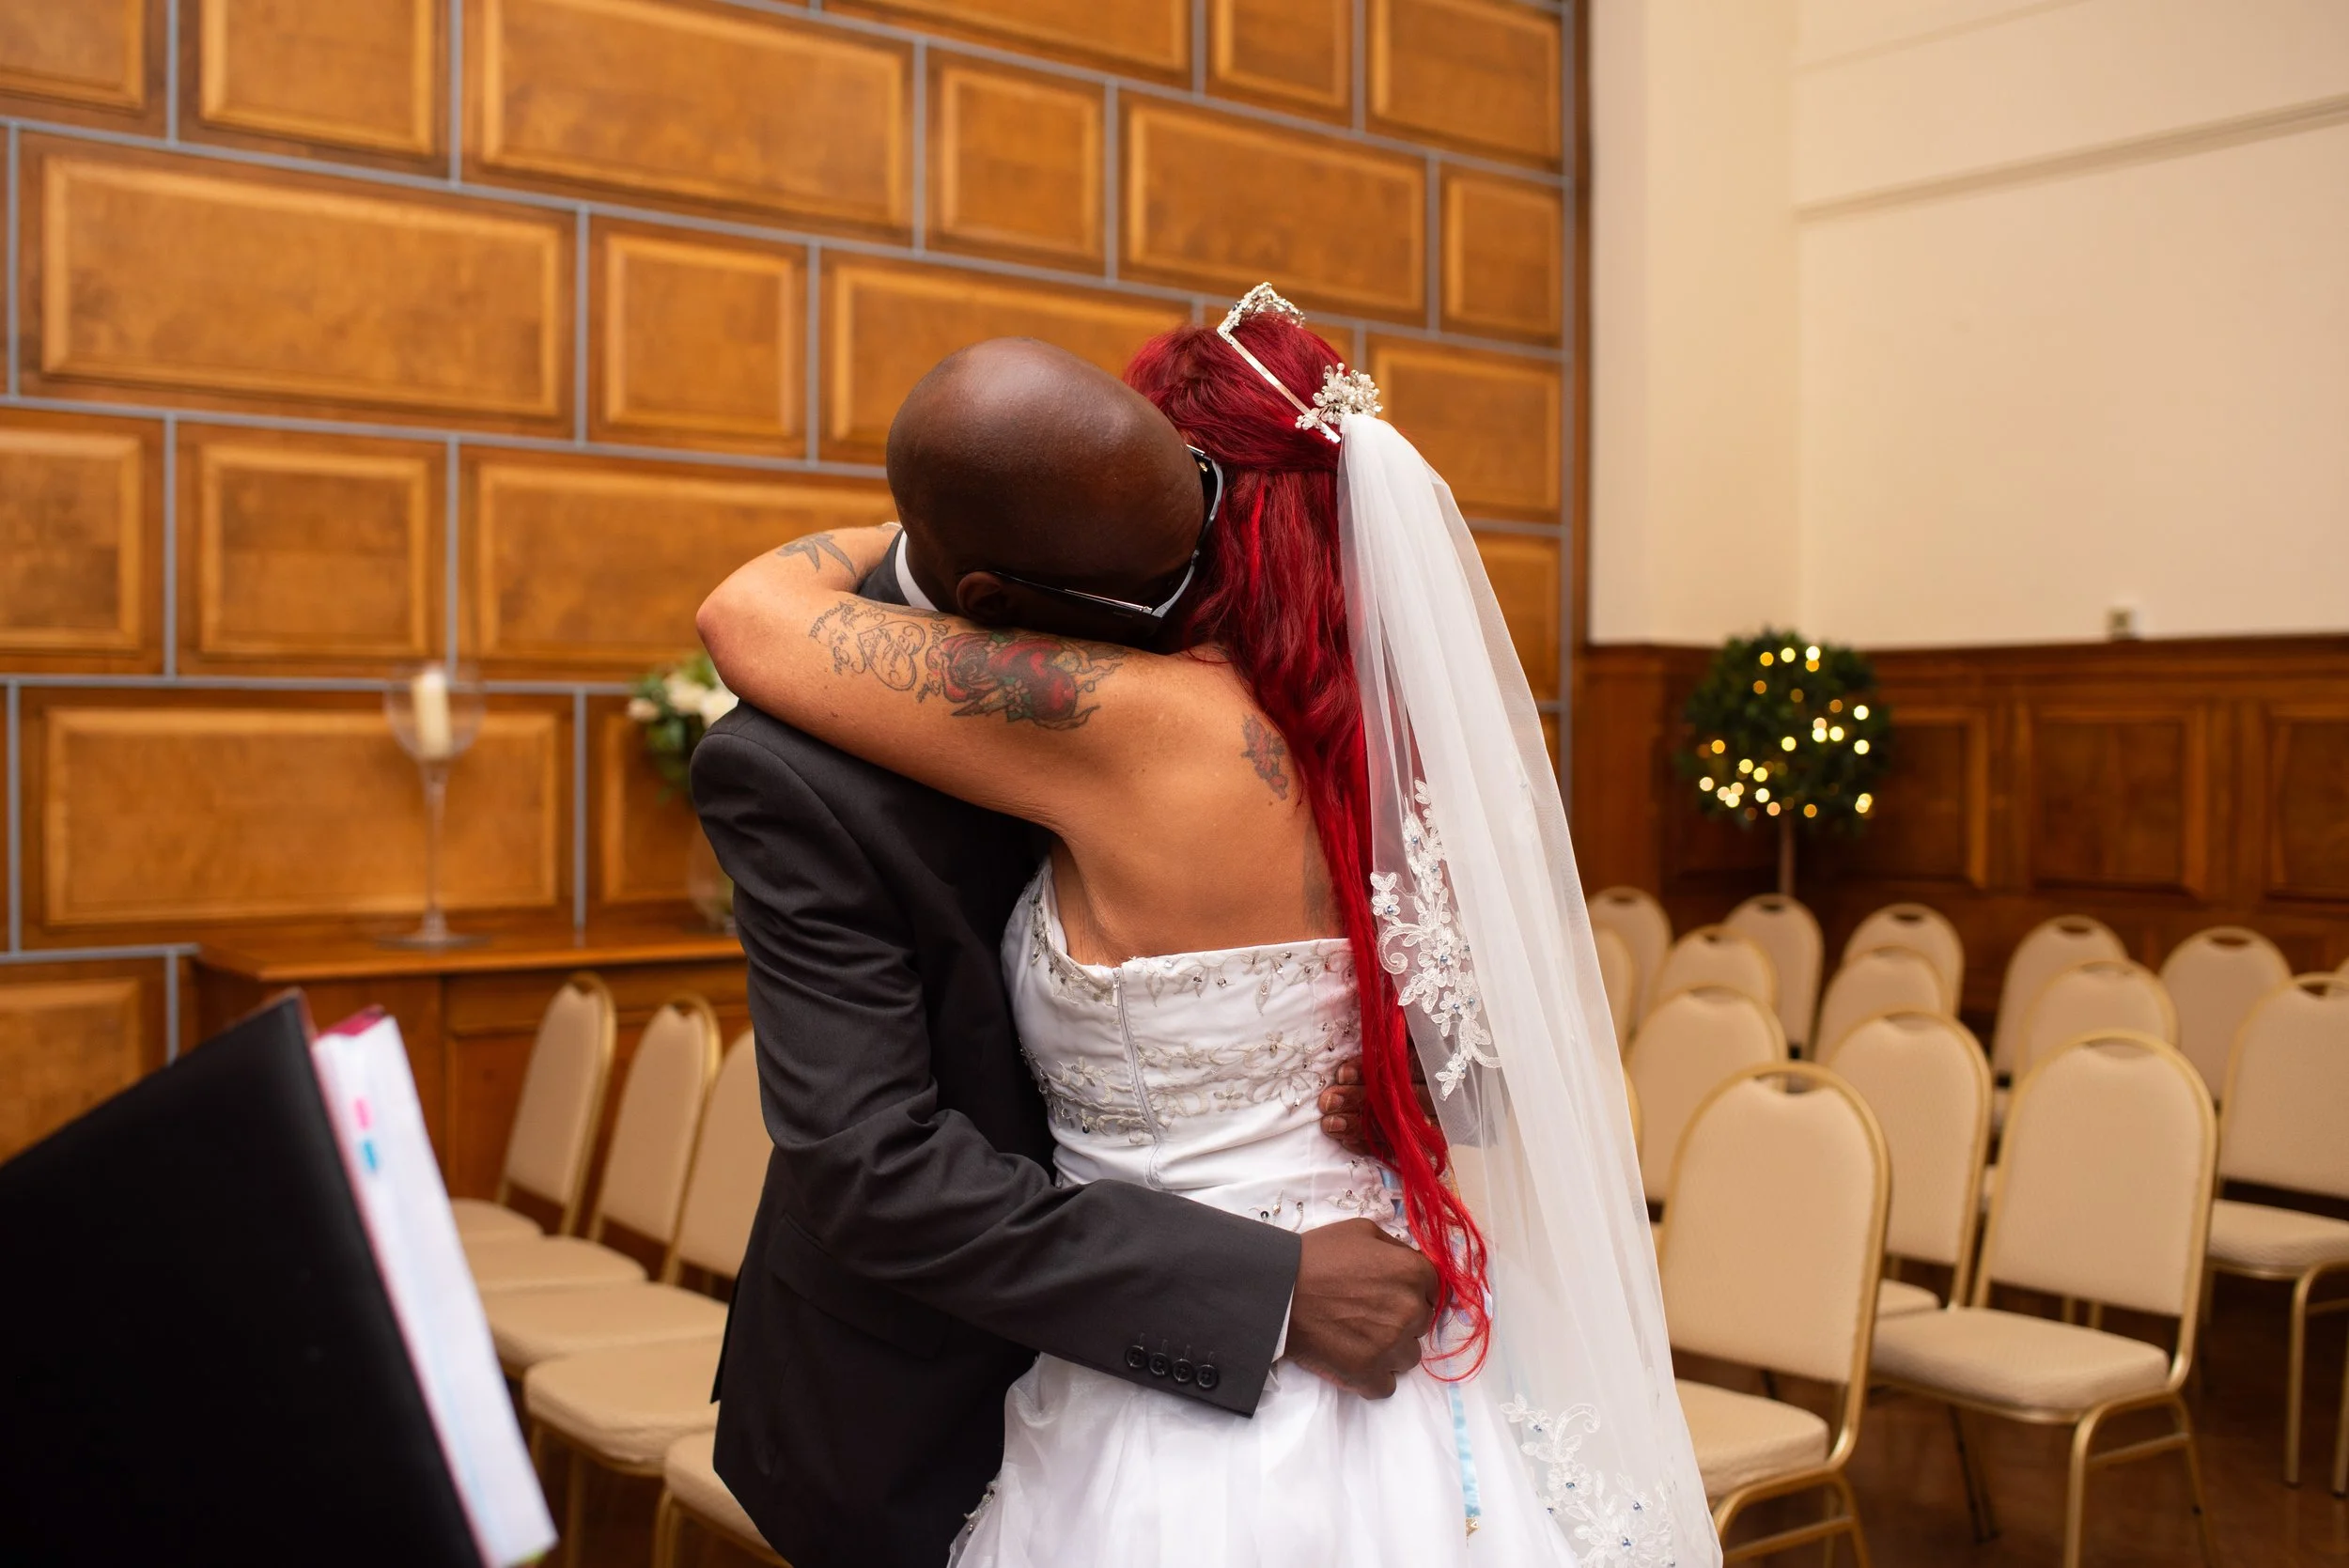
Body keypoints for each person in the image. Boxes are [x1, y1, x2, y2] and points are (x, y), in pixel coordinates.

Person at [698, 289, 1718, 1566]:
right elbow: (874, 1163)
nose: (1180, 594)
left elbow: (745, 609)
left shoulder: (1159, 713)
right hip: (1003, 1357)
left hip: (1225, 1375)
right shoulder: (1369, 736)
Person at [690, 336, 1440, 1568]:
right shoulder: (786, 767)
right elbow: (876, 1166)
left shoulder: (1188, 636)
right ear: (991, 601)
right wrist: (1264, 1292)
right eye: (1154, 594)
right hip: (939, 1380)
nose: (1194, 605)